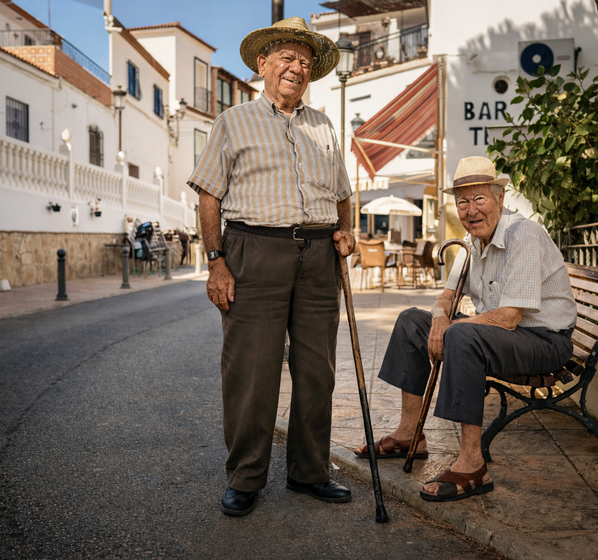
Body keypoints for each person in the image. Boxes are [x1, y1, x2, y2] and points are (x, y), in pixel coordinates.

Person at [187, 17, 355, 517]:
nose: (296, 67)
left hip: (319, 256)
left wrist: (346, 230)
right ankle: (246, 476)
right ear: (263, 64)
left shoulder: (323, 125)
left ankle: (309, 471)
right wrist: (217, 263)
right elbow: (209, 196)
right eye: (286, 56)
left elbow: (343, 194)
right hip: (253, 250)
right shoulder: (233, 121)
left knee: (316, 370)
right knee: (252, 370)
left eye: (304, 61)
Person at [354, 156, 577, 502]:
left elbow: (508, 318)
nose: (470, 210)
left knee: (463, 334)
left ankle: (473, 463)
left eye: (479, 199)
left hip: (544, 342)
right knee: (412, 320)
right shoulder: (471, 243)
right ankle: (409, 433)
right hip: (505, 337)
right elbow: (444, 297)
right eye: (462, 201)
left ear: (499, 198)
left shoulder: (524, 235)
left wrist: (453, 326)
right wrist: (440, 318)